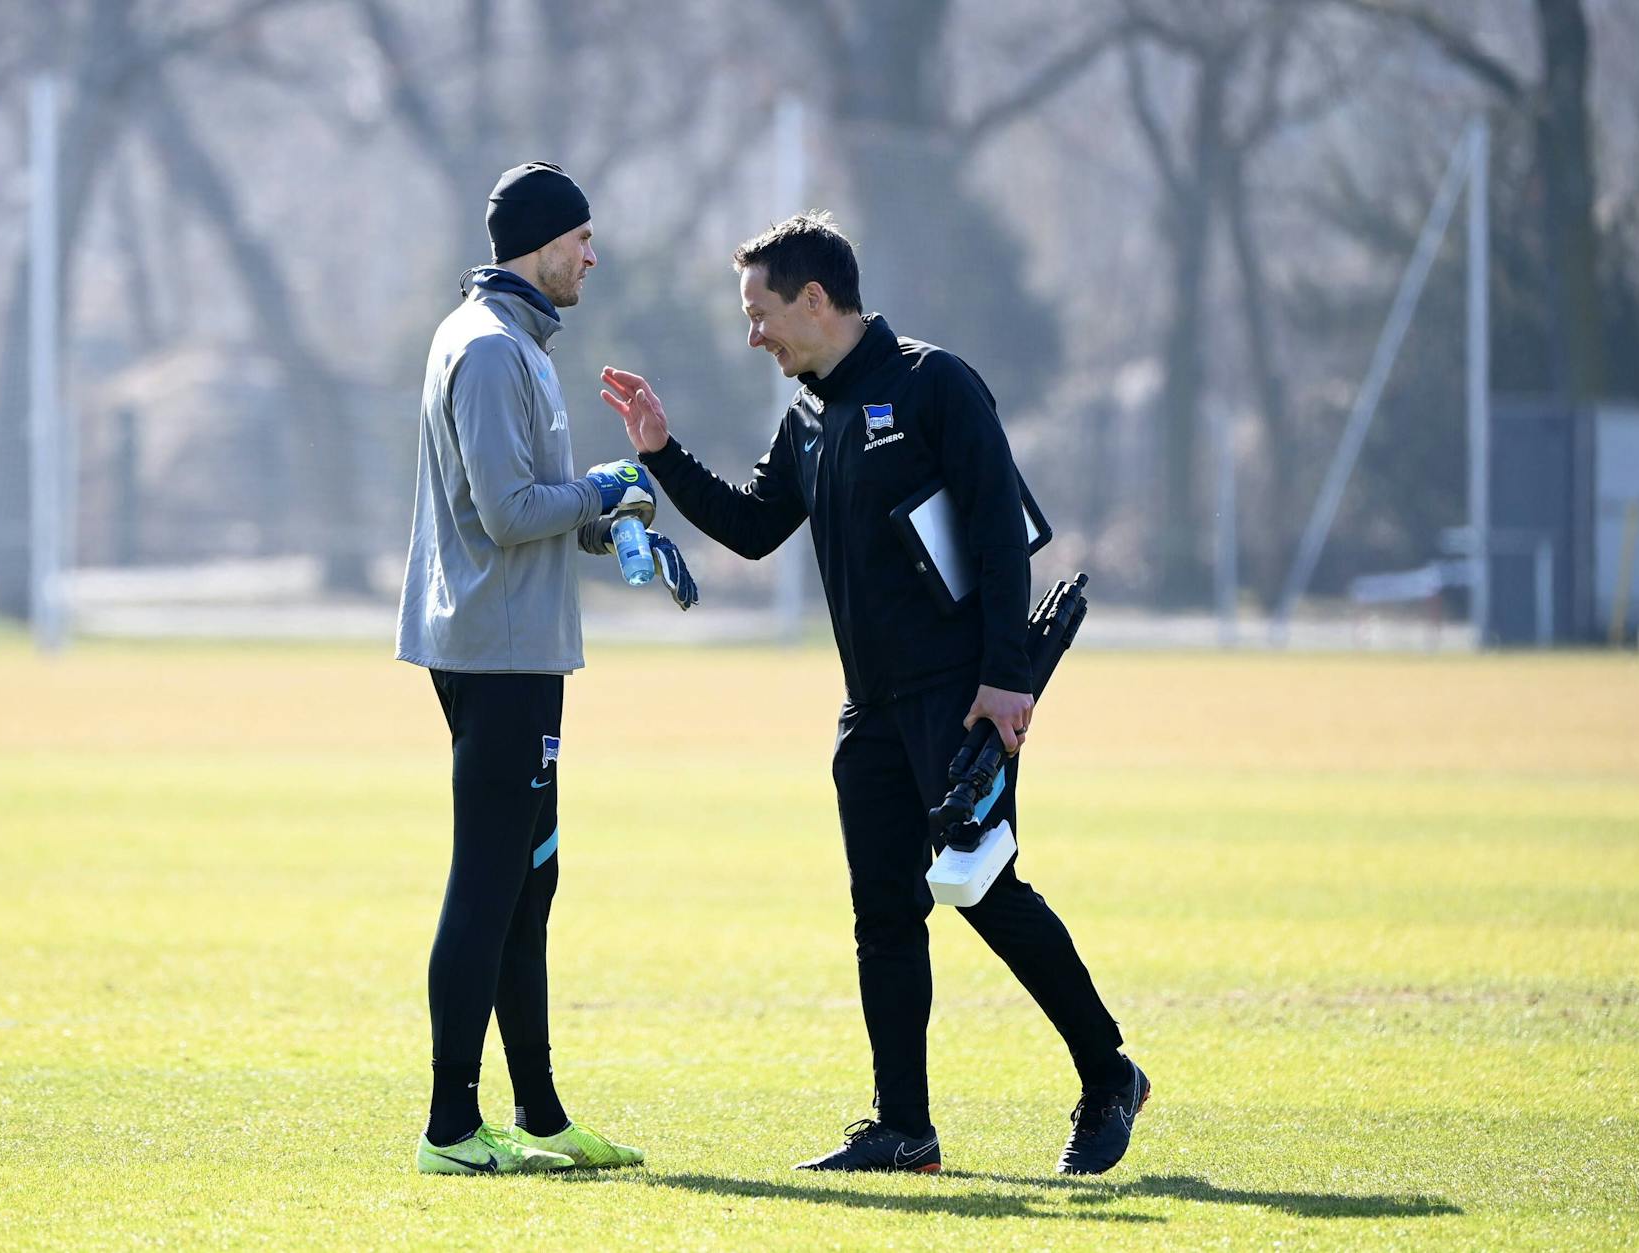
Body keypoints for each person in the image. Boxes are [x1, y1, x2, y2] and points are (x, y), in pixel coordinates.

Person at [599, 212, 1146, 1176]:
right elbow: (754, 527)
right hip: (870, 711)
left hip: (962, 698)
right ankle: (905, 1129)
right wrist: (661, 451)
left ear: (816, 298)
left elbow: (996, 532)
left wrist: (1006, 681)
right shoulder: (807, 416)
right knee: (884, 910)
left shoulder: (936, 384)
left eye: (760, 312)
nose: (753, 333)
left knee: (980, 885)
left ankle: (1108, 1074)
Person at [398, 161, 698, 1176]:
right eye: (580, 239)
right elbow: (505, 511)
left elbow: (531, 510)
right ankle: (449, 1124)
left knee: (531, 878)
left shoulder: (510, 342)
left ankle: (537, 1113)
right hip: (500, 655)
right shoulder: (486, 349)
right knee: (487, 880)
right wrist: (605, 484)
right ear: (539, 242)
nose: (591, 256)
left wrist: (614, 523)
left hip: (520, 647)